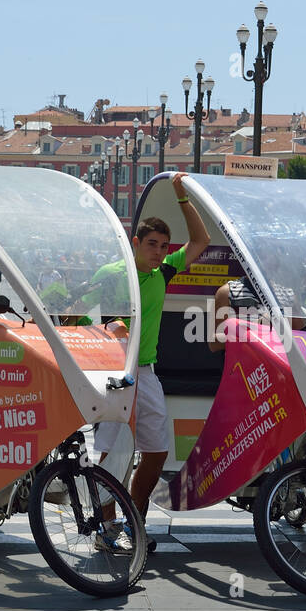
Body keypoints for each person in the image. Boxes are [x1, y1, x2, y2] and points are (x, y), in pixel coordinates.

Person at [91, 172, 210, 525]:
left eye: (163, 246)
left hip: (147, 372)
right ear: (136, 242)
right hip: (114, 373)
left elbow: (200, 239)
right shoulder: (111, 273)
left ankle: (134, 517)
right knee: (112, 455)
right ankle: (106, 526)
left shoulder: (165, 271)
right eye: (152, 244)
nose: (159, 252)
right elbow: (78, 314)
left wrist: (182, 198)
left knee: (157, 454)